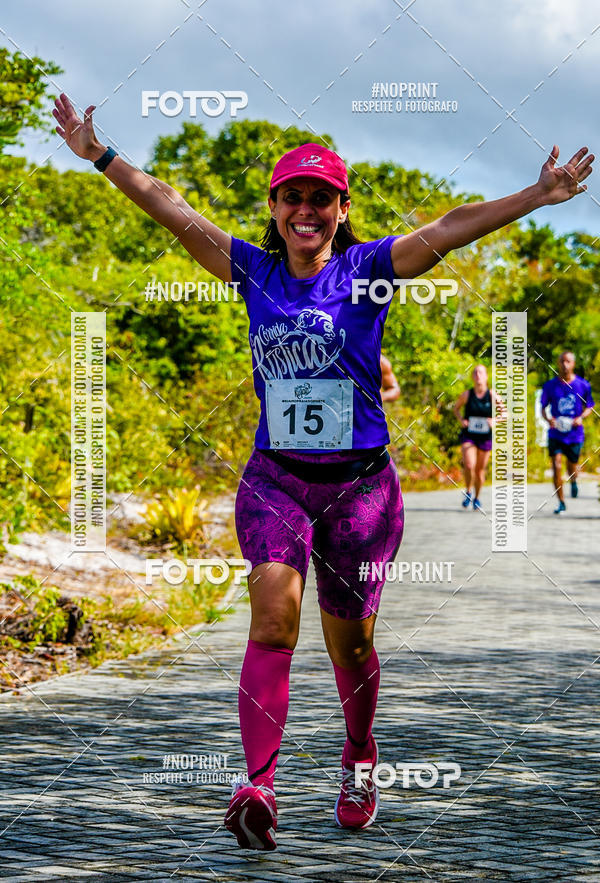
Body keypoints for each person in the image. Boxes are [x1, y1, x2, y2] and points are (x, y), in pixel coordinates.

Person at [52, 92, 593, 849]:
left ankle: (360, 755)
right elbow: (171, 207)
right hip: (276, 481)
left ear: (341, 210)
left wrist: (539, 194)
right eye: (292, 197)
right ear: (274, 207)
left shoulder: (372, 269)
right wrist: (101, 155)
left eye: (321, 198)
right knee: (272, 615)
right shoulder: (252, 270)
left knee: (355, 647)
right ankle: (259, 785)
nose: (305, 209)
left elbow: (449, 226)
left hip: (361, 492)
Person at [541, 351, 595, 514]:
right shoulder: (550, 386)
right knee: (556, 466)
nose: (565, 365)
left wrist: (581, 417)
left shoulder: (582, 385)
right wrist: (548, 419)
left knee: (572, 465)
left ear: (573, 364)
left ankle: (573, 481)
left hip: (574, 433)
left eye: (568, 361)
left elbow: (590, 406)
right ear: (558, 364)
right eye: (562, 361)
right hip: (556, 432)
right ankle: (561, 502)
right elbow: (543, 407)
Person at [453, 365, 505, 511]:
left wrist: (495, 420)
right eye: (475, 373)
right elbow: (456, 409)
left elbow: (505, 413)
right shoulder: (467, 395)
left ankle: (477, 497)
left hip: (485, 437)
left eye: (481, 372)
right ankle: (468, 491)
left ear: (486, 376)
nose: (478, 375)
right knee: (469, 465)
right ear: (472, 377)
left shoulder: (492, 395)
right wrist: (461, 420)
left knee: (479, 470)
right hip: (469, 435)